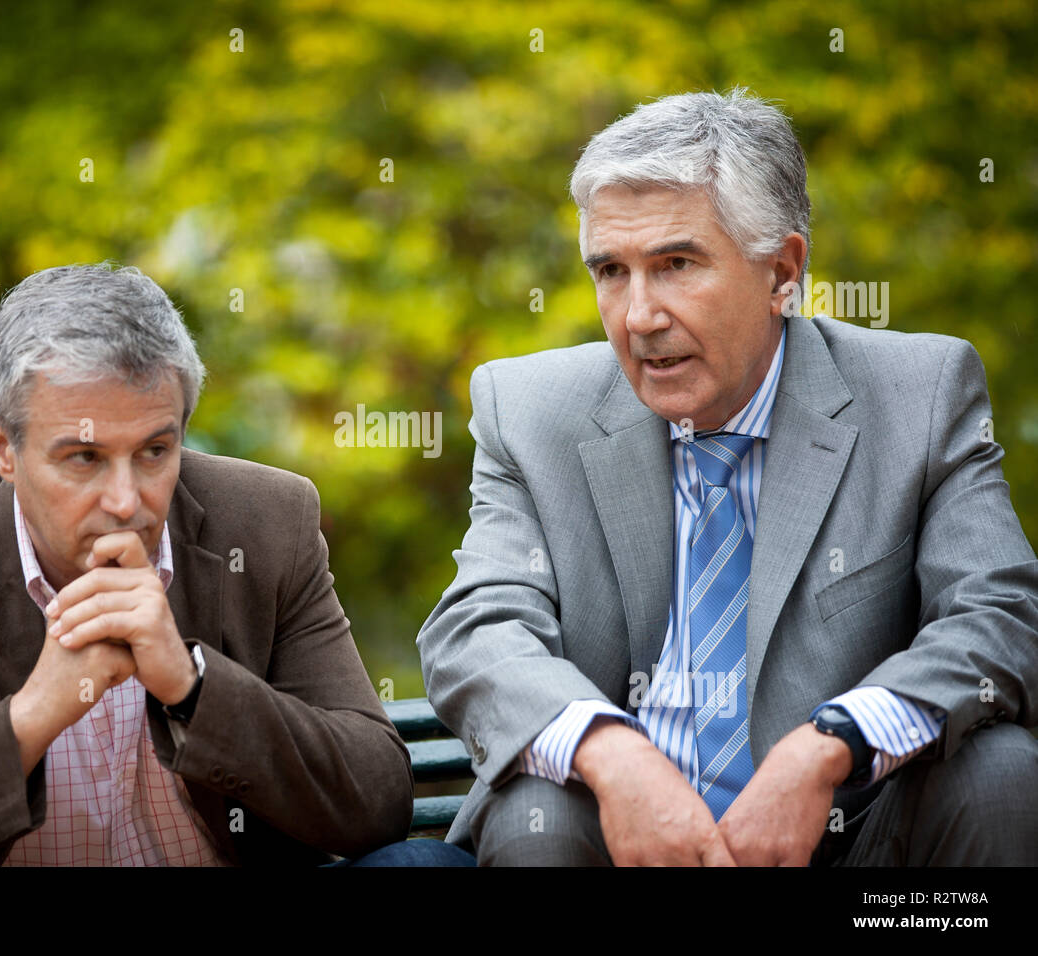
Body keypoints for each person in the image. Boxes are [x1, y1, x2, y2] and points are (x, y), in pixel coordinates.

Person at [416, 89, 1038, 866]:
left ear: (783, 270)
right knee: (539, 802)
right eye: (612, 270)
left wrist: (830, 746)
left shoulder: (919, 393)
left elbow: (1003, 612)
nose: (638, 315)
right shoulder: (530, 410)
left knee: (1000, 769)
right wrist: (614, 755)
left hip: (852, 853)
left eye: (676, 264)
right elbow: (478, 628)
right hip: (623, 847)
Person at [0, 263, 466, 866]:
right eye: (83, 458)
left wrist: (193, 684)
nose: (126, 501)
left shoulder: (265, 522)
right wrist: (31, 716)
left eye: (153, 451)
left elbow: (376, 798)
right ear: (2, 443)